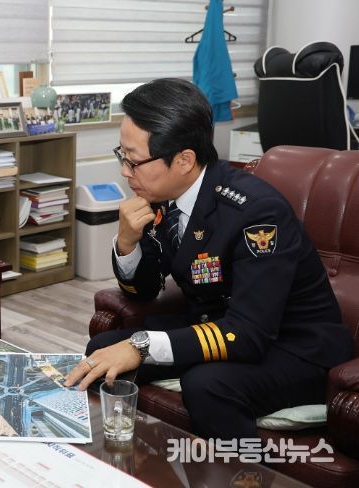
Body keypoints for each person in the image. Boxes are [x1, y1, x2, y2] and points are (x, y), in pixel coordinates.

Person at [64, 78, 352, 442]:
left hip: (294, 346)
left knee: (207, 384)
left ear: (184, 160)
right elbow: (145, 290)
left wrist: (141, 345)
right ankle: (132, 455)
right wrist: (126, 242)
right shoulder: (164, 194)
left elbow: (249, 333)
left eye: (133, 161)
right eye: (122, 155)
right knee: (101, 351)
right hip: (220, 325)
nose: (124, 171)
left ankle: (243, 470)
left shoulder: (257, 213)